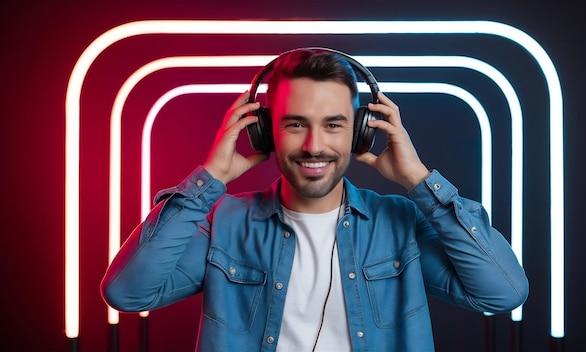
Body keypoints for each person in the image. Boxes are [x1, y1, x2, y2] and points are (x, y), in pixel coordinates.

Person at [101, 48, 529, 352]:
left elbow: (503, 293)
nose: (313, 145)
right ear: (264, 131)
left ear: (362, 131)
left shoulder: (400, 225)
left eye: (334, 125)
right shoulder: (224, 223)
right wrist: (209, 179)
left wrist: (419, 181)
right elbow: (127, 293)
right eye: (294, 124)